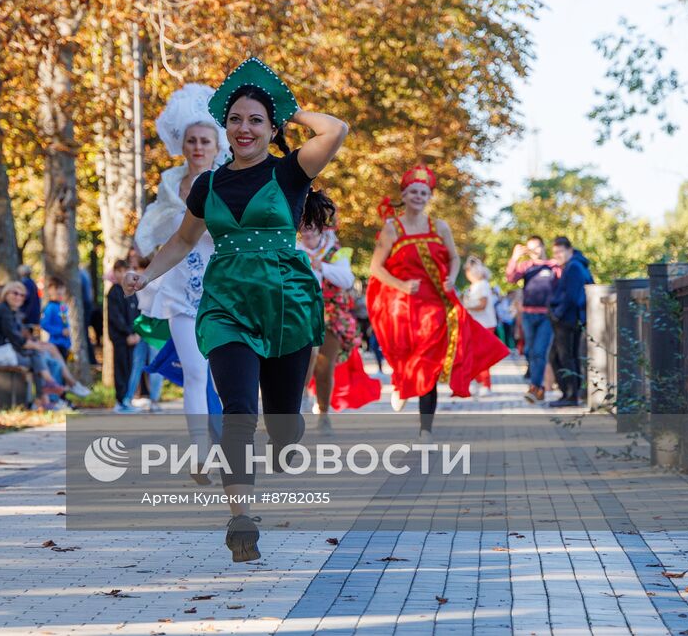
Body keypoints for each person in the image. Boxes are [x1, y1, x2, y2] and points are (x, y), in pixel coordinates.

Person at [124, 58, 347, 564]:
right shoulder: (208, 185)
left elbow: (337, 129)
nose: (244, 128)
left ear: (271, 130)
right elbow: (182, 241)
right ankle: (239, 517)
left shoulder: (291, 171)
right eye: (236, 120)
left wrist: (288, 107)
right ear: (226, 128)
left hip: (286, 302)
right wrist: (145, 274)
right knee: (239, 410)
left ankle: (287, 433)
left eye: (255, 120)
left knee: (283, 422)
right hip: (226, 304)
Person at [367, 166, 508, 440]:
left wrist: (452, 278)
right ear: (404, 195)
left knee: (428, 362)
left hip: (434, 304)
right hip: (401, 303)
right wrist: (402, 286)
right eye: (414, 192)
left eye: (424, 192)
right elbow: (376, 268)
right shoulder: (392, 228)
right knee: (407, 355)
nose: (419, 196)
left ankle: (425, 428)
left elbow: (454, 258)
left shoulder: (439, 226)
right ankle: (401, 383)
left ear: (429, 196)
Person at [133, 83, 229, 446]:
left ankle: (232, 442)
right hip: (181, 291)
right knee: (194, 371)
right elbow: (158, 230)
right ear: (182, 145)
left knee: (225, 375)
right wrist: (141, 272)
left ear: (217, 145)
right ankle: (200, 449)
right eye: (192, 141)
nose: (198, 147)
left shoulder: (229, 184)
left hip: (224, 293)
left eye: (205, 141)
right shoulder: (170, 187)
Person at [302, 221, 380, 428]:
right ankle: (300, 400)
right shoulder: (294, 250)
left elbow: (346, 280)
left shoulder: (334, 251)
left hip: (332, 315)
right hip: (302, 313)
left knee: (325, 366)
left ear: (320, 230)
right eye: (303, 228)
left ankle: (323, 414)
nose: (307, 232)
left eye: (312, 227)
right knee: (306, 358)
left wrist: (322, 267)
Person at [0, 282, 69, 410]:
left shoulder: (11, 311)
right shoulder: (3, 311)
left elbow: (19, 338)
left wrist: (33, 345)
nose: (18, 297)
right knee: (37, 357)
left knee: (37, 355)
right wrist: (32, 345)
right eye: (15, 293)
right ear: (6, 293)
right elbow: (15, 338)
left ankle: (44, 397)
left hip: (5, 351)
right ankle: (46, 394)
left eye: (22, 295)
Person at [505, 236, 558, 404]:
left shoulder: (553, 266)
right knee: (529, 351)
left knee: (539, 351)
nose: (534, 251)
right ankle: (539, 388)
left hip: (546, 315)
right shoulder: (526, 266)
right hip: (528, 314)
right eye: (530, 248)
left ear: (543, 247)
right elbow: (511, 278)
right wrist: (515, 257)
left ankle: (535, 386)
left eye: (537, 247)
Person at [547, 236, 594, 407]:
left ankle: (571, 395)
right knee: (565, 356)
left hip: (568, 320)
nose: (557, 255)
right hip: (570, 318)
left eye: (560, 251)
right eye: (555, 252)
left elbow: (571, 296)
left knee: (563, 357)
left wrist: (557, 314)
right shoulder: (574, 265)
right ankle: (570, 393)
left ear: (569, 250)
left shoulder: (574, 267)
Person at [105, 260, 141, 412]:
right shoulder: (113, 292)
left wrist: (136, 332)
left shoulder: (131, 291)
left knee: (130, 367)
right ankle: (120, 400)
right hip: (120, 338)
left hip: (132, 337)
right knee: (120, 367)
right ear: (116, 272)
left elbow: (137, 313)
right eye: (121, 272)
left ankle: (127, 397)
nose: (124, 275)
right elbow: (116, 317)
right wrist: (127, 332)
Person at [462, 256, 499, 397]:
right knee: (474, 355)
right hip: (477, 324)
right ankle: (477, 381)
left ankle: (485, 384)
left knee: (482, 356)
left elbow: (482, 304)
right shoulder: (475, 286)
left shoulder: (482, 285)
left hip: (484, 325)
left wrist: (467, 305)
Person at [39, 277, 72, 357]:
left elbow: (65, 322)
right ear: (50, 290)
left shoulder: (63, 306)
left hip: (66, 344)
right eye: (58, 292)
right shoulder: (50, 307)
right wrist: (60, 331)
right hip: (55, 344)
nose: (60, 293)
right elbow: (44, 324)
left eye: (62, 291)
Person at [17, 263, 42, 328]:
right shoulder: (32, 282)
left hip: (27, 314)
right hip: (33, 313)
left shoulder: (25, 283)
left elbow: (25, 297)